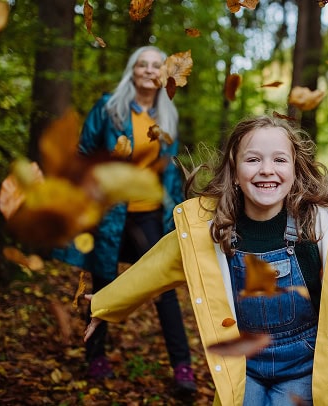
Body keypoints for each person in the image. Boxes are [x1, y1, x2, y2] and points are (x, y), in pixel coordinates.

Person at [84, 114, 328, 405]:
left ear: (295, 169)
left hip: (302, 366)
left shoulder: (321, 223)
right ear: (234, 171)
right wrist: (104, 304)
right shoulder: (209, 229)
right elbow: (155, 268)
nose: (267, 169)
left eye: (279, 160)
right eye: (253, 159)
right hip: (241, 365)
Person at [53, 46, 196, 392]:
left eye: (155, 66)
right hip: (111, 215)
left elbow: (170, 172)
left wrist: (178, 213)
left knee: (163, 289)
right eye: (141, 64)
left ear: (164, 74)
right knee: (102, 285)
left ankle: (183, 369)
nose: (148, 70)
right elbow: (84, 153)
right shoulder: (108, 108)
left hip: (150, 216)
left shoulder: (166, 113)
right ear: (132, 71)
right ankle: (96, 357)